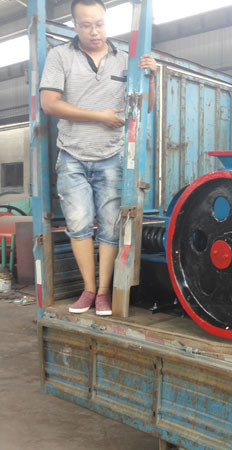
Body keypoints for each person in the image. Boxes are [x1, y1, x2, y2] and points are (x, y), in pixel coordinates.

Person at [40, 0, 156, 316]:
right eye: (86, 25)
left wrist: (151, 78)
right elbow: (49, 104)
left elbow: (145, 106)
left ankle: (103, 292)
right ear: (75, 25)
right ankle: (88, 289)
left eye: (100, 24)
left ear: (107, 22)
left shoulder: (125, 59)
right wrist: (99, 116)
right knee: (78, 224)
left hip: (111, 157)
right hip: (72, 156)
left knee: (109, 227)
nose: (94, 31)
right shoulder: (59, 56)